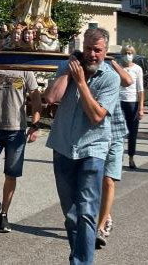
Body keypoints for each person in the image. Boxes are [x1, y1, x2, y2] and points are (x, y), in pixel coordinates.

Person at [43, 27, 121, 265]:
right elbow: (51, 97)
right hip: (63, 147)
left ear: (105, 51)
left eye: (97, 50)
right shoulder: (68, 68)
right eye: (88, 49)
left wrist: (81, 83)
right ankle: (78, 256)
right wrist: (69, 71)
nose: (92, 54)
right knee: (71, 215)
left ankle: (81, 262)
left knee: (86, 212)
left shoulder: (111, 77)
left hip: (92, 150)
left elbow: (96, 116)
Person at [0, 65, 40, 234]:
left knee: (11, 174)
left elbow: (35, 97)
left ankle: (4, 214)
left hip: (16, 130)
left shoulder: (25, 69)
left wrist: (35, 124)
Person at [96, 56, 133, 249]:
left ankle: (100, 227)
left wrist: (113, 63)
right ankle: (106, 214)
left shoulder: (111, 68)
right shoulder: (90, 68)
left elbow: (128, 81)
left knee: (108, 180)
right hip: (95, 132)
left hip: (116, 131)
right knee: (95, 180)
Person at [115, 46, 144, 169]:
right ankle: (118, 157)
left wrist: (141, 108)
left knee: (132, 132)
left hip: (133, 102)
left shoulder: (137, 69)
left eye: (130, 53)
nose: (128, 55)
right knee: (119, 132)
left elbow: (140, 89)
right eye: (126, 53)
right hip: (119, 101)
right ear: (122, 54)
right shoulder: (118, 67)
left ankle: (131, 157)